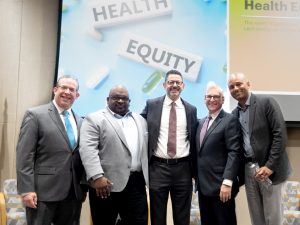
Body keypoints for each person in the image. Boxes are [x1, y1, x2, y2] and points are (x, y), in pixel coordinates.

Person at [16, 75, 86, 225]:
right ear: (55, 90)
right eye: (63, 88)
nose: (67, 92)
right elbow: (24, 155)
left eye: (72, 90)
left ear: (77, 95)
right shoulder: (35, 115)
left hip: (73, 194)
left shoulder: (81, 121)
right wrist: (27, 190)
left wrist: (83, 188)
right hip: (42, 194)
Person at [228, 72, 292, 225]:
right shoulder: (233, 115)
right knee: (256, 218)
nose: (236, 88)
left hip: (270, 170)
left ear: (248, 84)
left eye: (239, 84)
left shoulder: (267, 102)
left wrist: (270, 166)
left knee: (273, 218)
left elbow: (280, 135)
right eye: (231, 86)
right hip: (249, 171)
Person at [79, 85, 149, 225]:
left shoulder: (140, 120)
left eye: (124, 98)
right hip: (105, 185)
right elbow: (88, 149)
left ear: (129, 101)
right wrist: (97, 176)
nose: (120, 101)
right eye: (116, 97)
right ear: (107, 99)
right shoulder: (94, 118)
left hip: (136, 184)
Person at [141, 69, 198, 225]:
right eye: (170, 82)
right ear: (164, 85)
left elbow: (194, 138)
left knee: (182, 217)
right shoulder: (152, 105)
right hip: (158, 168)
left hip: (183, 169)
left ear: (183, 86)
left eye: (177, 82)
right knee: (157, 217)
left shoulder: (191, 109)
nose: (174, 85)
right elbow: (139, 127)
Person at [196, 82, 242, 225]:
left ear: (222, 100)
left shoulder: (230, 121)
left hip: (221, 187)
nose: (212, 100)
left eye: (216, 97)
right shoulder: (201, 122)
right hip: (203, 188)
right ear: (204, 99)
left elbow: (234, 152)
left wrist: (228, 182)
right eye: (209, 97)